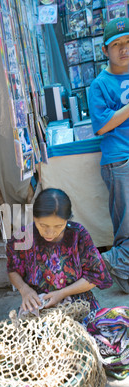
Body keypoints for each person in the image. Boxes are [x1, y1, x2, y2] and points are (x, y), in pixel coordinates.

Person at [6, 188, 113, 313]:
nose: (50, 232)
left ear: (67, 219)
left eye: (58, 226)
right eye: (43, 225)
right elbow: (13, 269)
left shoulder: (78, 235)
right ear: (34, 218)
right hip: (39, 302)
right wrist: (24, 289)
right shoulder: (23, 238)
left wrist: (62, 293)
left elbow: (95, 276)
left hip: (77, 301)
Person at [89, 17, 129, 293]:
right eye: (117, 45)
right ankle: (99, 263)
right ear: (105, 50)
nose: (124, 49)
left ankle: (124, 278)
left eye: (128, 43)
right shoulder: (99, 85)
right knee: (126, 231)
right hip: (120, 161)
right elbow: (102, 125)